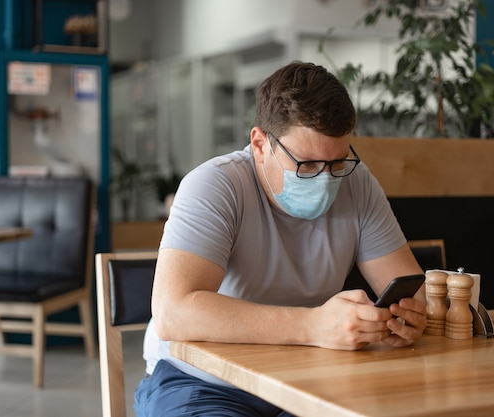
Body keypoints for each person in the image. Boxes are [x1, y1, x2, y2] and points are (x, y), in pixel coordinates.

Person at [135, 61, 426, 417]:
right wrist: (313, 326)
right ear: (259, 144)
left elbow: (411, 291)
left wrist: (408, 319)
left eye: (336, 164)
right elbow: (173, 313)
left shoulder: (358, 183)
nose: (326, 179)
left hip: (309, 377)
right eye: (306, 165)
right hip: (203, 382)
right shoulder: (215, 185)